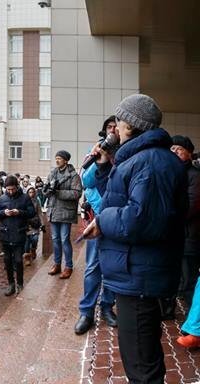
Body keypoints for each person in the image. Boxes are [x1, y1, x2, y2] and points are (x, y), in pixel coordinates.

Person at [82, 94, 185, 382]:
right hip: (134, 272)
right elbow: (118, 199)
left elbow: (142, 220)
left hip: (139, 276)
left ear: (131, 125)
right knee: (140, 356)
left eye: (118, 121)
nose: (113, 128)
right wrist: (103, 167)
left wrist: (102, 221)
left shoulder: (150, 163)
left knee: (141, 364)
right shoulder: (139, 159)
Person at [75, 116, 120, 335]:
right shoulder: (96, 151)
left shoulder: (125, 154)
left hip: (119, 219)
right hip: (99, 219)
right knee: (93, 266)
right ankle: (87, 311)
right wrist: (102, 210)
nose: (113, 131)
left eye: (116, 127)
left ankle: (107, 307)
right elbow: (87, 184)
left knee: (112, 266)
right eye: (109, 128)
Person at [0, 176, 37, 297]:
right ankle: (11, 284)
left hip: (19, 232)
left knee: (18, 260)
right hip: (5, 233)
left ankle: (20, 284)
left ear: (17, 187)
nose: (10, 191)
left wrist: (19, 212)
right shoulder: (2, 198)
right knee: (7, 261)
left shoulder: (24, 197)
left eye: (12, 189)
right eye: (8, 189)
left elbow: (32, 212)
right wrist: (4, 213)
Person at [172, 135, 200, 309]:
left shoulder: (195, 176)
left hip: (190, 236)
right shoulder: (173, 172)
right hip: (178, 234)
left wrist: (169, 219)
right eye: (172, 149)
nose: (174, 152)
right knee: (181, 277)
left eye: (179, 149)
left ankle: (193, 325)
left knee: (189, 278)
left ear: (189, 153)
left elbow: (192, 206)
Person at [45, 150, 82, 278]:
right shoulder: (52, 173)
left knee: (64, 239)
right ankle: (57, 264)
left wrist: (59, 192)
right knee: (55, 239)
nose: (57, 160)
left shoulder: (73, 175)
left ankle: (69, 266)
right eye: (56, 158)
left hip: (66, 212)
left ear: (66, 160)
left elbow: (77, 193)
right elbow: (46, 191)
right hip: (53, 210)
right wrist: (47, 190)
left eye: (59, 158)